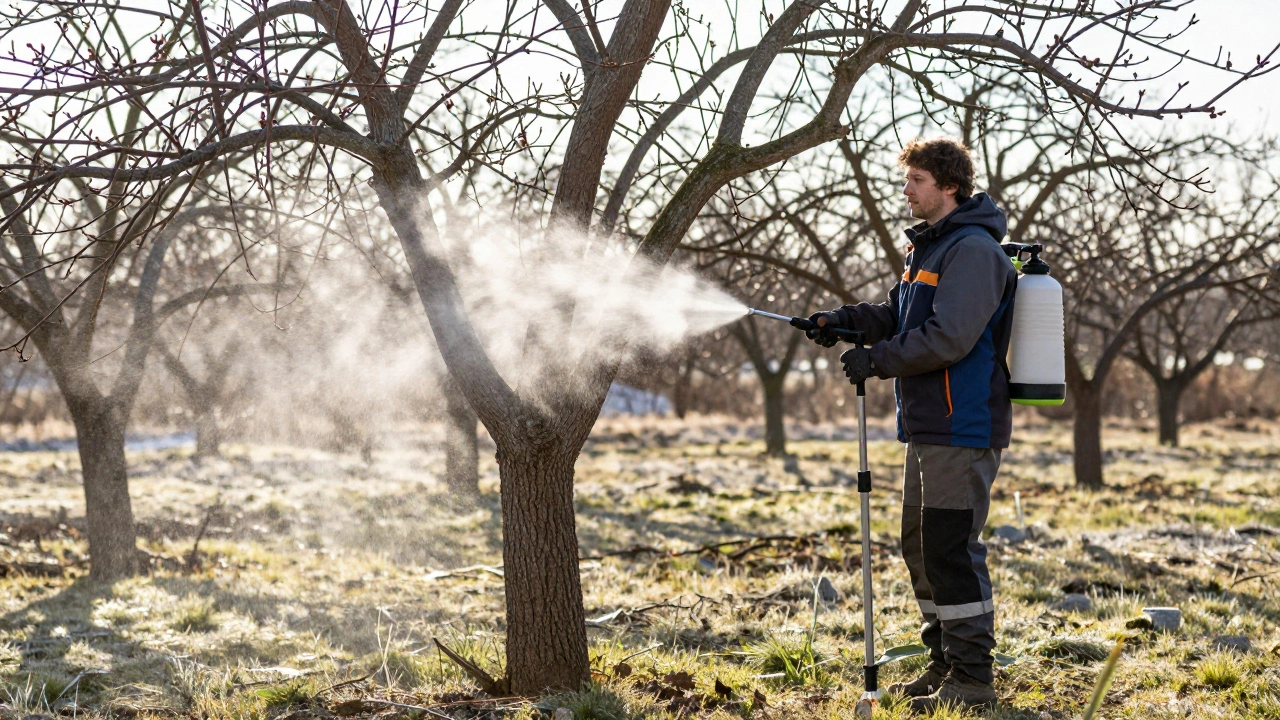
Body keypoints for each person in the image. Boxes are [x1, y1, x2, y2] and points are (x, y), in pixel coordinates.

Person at [809, 137, 1016, 712]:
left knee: (950, 548)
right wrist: (845, 321)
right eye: (907, 180)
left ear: (949, 185)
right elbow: (900, 315)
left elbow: (949, 337)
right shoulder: (931, 248)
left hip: (961, 423)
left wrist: (877, 360)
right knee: (921, 546)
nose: (906, 190)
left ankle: (972, 680)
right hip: (928, 425)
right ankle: (943, 661)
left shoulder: (972, 251)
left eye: (917, 180)